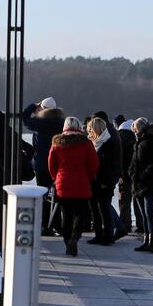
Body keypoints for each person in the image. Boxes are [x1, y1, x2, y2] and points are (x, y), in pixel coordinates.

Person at [48, 117, 99, 256]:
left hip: (63, 184)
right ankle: (75, 238)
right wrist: (88, 178)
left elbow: (51, 165)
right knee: (81, 215)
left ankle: (67, 242)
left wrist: (56, 179)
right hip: (82, 183)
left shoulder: (57, 143)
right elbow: (93, 164)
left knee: (67, 216)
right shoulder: (87, 143)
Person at [23, 97, 64, 236]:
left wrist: (32, 106)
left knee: (43, 195)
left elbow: (24, 118)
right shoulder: (60, 123)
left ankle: (46, 225)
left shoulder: (40, 123)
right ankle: (57, 224)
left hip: (41, 164)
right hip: (57, 164)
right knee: (56, 195)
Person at [128, 117, 153, 253]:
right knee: (143, 214)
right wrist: (132, 173)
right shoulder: (138, 141)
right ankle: (146, 240)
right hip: (138, 182)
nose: (135, 132)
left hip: (150, 182)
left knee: (149, 213)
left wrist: (146, 172)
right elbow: (135, 160)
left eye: (136, 129)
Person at [92, 111, 126, 240]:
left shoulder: (107, 137)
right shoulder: (111, 133)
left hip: (106, 177)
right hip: (110, 176)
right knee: (105, 205)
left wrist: (104, 180)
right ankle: (110, 231)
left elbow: (106, 161)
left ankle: (108, 233)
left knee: (104, 206)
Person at [87, 118, 121, 245]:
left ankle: (108, 236)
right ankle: (98, 234)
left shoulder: (108, 142)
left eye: (91, 128)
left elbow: (110, 165)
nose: (89, 130)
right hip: (94, 181)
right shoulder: (96, 142)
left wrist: (106, 182)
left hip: (104, 182)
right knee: (95, 210)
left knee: (104, 210)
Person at [116, 118, 143, 233]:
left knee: (124, 202)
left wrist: (120, 172)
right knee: (137, 201)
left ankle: (125, 224)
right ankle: (141, 225)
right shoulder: (137, 138)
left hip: (124, 175)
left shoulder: (120, 138)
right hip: (137, 175)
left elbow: (118, 158)